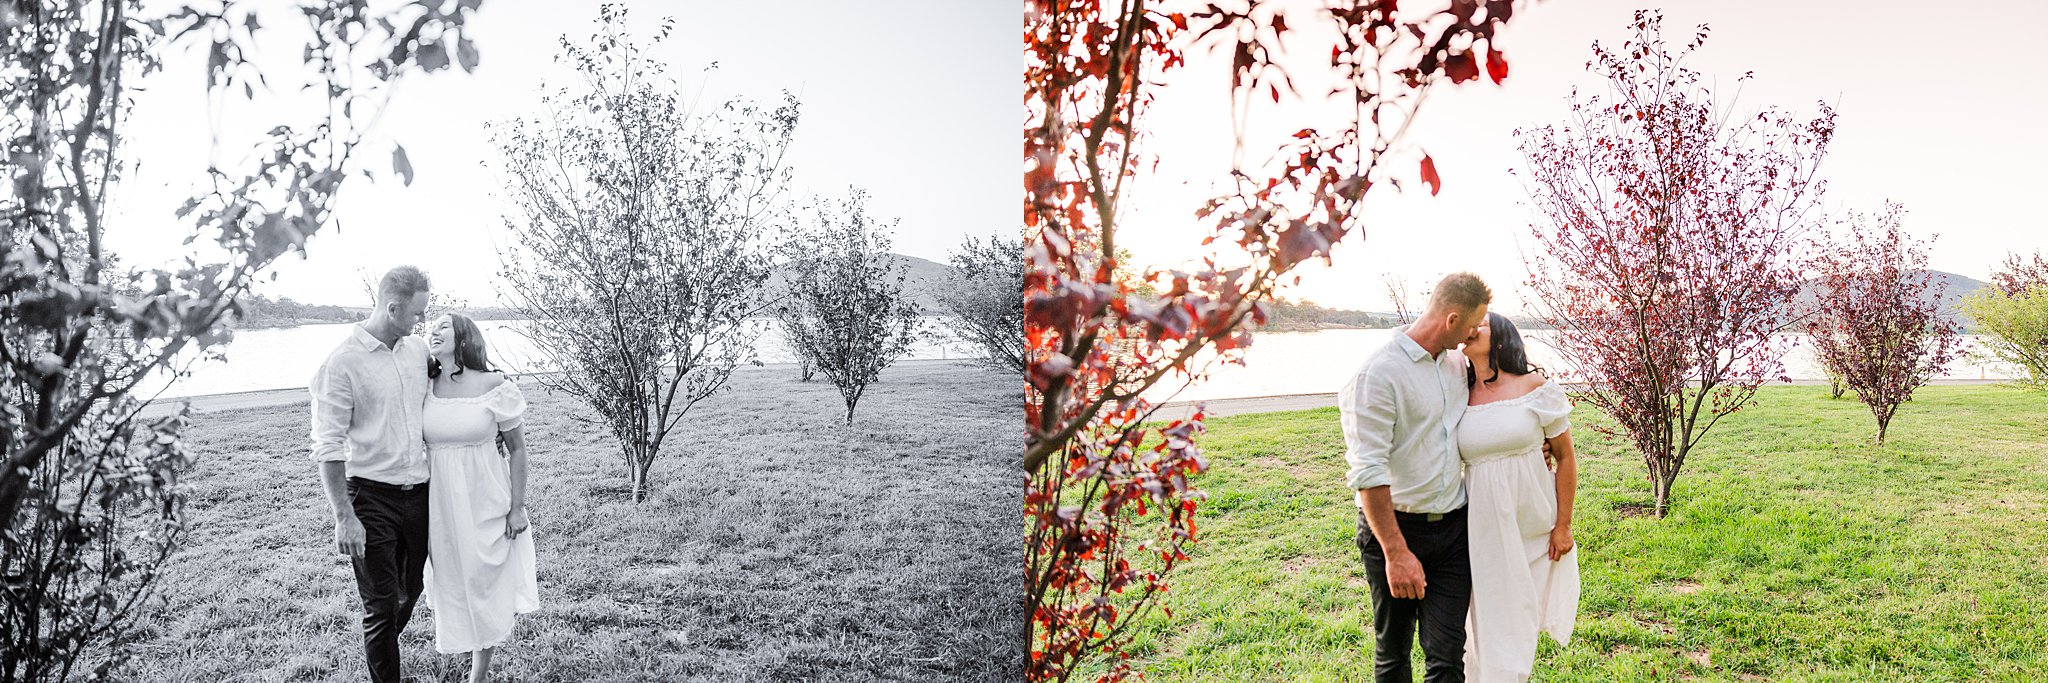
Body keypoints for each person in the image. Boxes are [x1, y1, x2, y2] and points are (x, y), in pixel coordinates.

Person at [1339, 272, 1491, 683]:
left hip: (1454, 533)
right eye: (1474, 324)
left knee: (1447, 656)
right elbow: (1367, 473)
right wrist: (1396, 553)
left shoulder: (1457, 365)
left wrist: (1539, 442)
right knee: (1394, 654)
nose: (1475, 333)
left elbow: (1491, 413)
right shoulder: (1378, 375)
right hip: (1397, 531)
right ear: (1451, 319)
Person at [310, 266, 433, 683]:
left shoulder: (417, 350)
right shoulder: (342, 363)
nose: (421, 322)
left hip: (420, 495)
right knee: (380, 604)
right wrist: (345, 516)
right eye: (416, 314)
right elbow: (327, 445)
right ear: (392, 306)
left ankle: (381, 641)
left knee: (410, 590)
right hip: (370, 497)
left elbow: (450, 387)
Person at [1456, 312, 1579, 683]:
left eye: (1480, 325)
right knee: (1486, 617)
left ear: (1500, 339)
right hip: (1482, 527)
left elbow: (1566, 457)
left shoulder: (1534, 387)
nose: (1470, 329)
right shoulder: (1458, 391)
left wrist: (1564, 524)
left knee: (1519, 615)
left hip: (1533, 525)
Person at [422, 313, 539, 683]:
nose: (433, 331)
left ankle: (478, 674)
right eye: (430, 326)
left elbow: (518, 449)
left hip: (486, 498)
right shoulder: (423, 384)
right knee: (453, 580)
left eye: (443, 326)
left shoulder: (495, 385)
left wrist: (517, 508)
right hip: (439, 503)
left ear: (464, 337)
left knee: (484, 581)